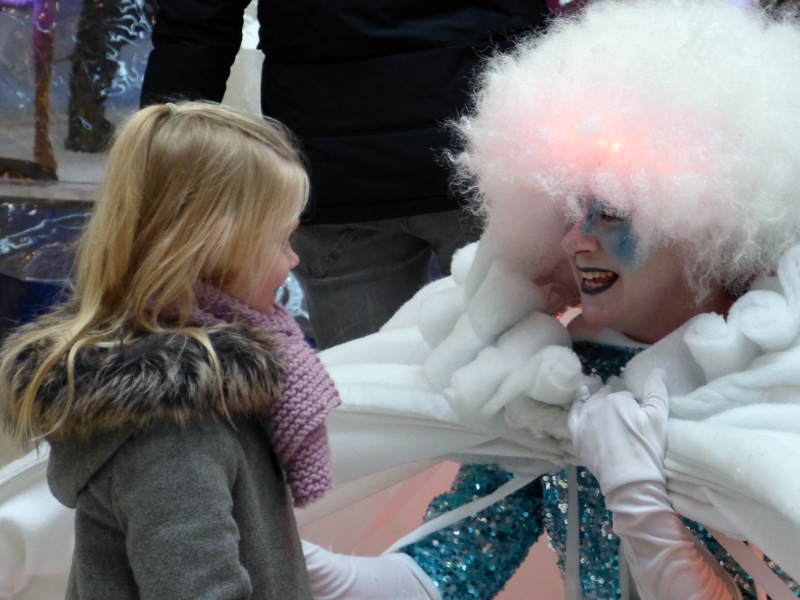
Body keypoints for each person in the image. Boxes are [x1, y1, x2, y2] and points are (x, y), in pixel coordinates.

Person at [300, 1, 800, 598]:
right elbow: (446, 572)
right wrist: (289, 555)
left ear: (705, 222)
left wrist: (640, 501)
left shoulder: (775, 384)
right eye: (568, 209)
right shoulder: (553, 379)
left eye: (610, 211)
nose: (574, 240)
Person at [0, 101, 341, 599]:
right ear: (214, 245)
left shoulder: (216, 393)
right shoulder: (173, 432)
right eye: (281, 239)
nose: (292, 259)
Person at [139, 0, 554, 349]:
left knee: (366, 398)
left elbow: (196, 25)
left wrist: (162, 173)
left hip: (334, 160)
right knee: (515, 385)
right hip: (485, 143)